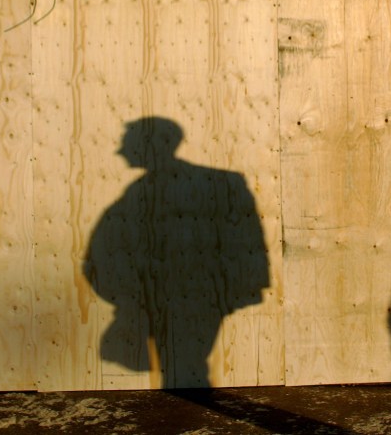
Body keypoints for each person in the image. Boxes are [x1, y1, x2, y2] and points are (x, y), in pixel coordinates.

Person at [83, 117, 269, 387]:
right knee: (184, 370)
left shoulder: (140, 193)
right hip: (199, 293)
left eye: (127, 143)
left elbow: (101, 252)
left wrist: (128, 295)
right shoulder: (221, 183)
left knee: (182, 370)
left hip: (179, 294)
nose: (120, 150)